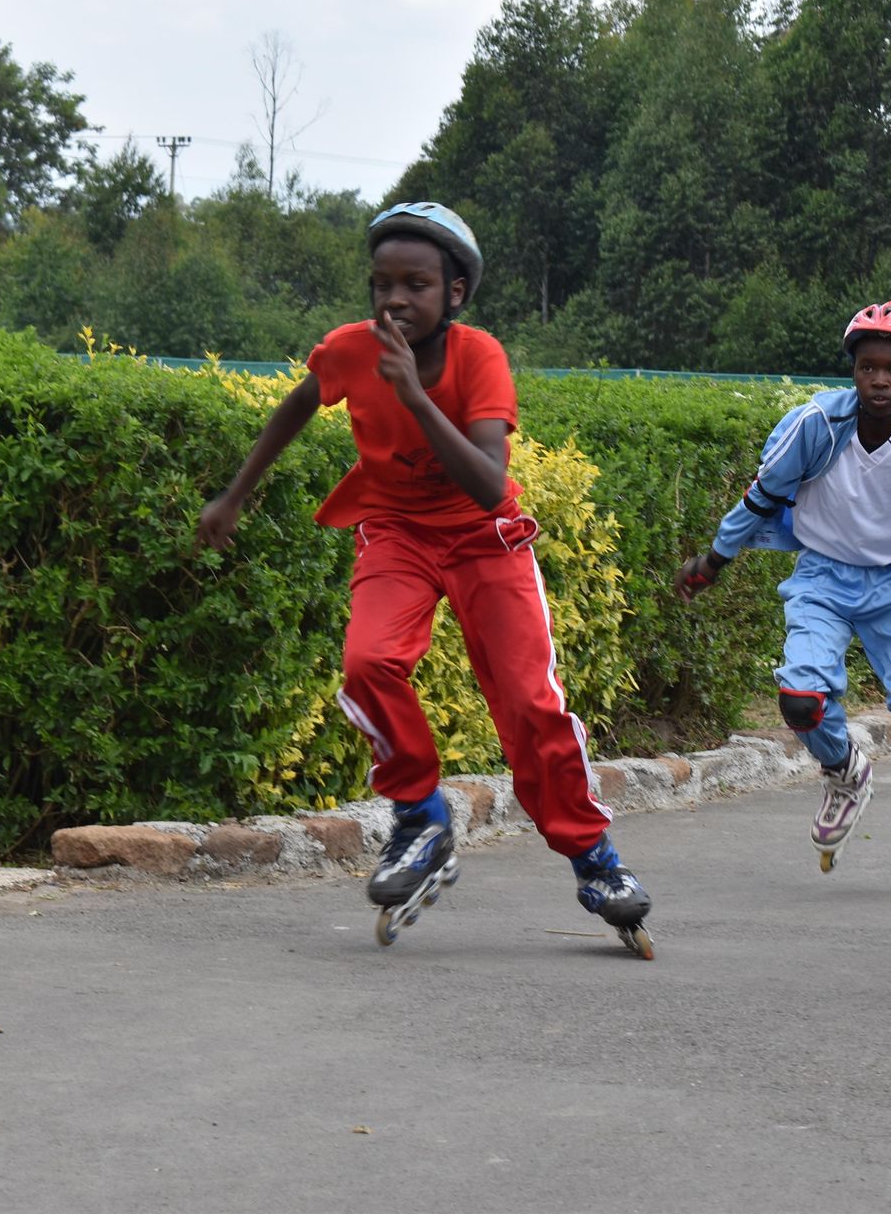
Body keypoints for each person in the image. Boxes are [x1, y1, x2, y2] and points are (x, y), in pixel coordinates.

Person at [196, 201, 654, 958]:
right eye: (382, 284)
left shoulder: (479, 359)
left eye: (416, 285)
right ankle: (420, 818)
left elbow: (489, 482)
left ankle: (595, 860)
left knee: (531, 707)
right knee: (368, 662)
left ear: (455, 292)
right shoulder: (353, 349)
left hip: (484, 541)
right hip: (397, 534)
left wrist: (413, 395)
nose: (395, 300)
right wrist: (235, 494)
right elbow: (301, 401)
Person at [673, 303, 891, 896]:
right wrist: (714, 561)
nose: (879, 380)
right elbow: (762, 494)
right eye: (868, 367)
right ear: (853, 371)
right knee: (801, 701)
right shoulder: (817, 424)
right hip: (823, 578)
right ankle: (845, 772)